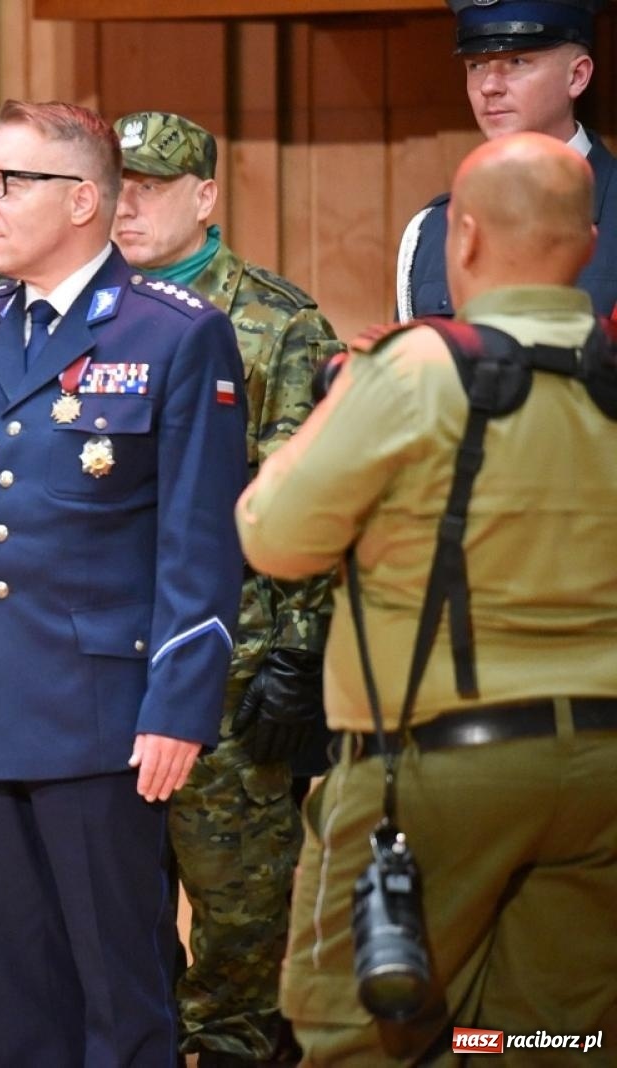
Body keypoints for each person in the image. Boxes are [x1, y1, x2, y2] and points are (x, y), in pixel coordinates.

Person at [0, 99, 249, 1066]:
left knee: (119, 996)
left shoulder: (173, 335)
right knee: (15, 997)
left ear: (83, 201)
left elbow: (199, 546)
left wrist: (179, 707)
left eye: (6, 182)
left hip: (104, 718)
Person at [240, 131, 617, 1063]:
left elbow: (273, 538)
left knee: (355, 1034)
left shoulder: (416, 371)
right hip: (604, 769)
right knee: (546, 1040)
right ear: (590, 244)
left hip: (436, 768)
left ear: (468, 239)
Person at [111, 110, 340, 1066]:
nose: (127, 205)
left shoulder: (276, 320)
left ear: (204, 197)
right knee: (120, 905)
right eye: (114, 185)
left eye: (151, 187)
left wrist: (301, 649)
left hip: (232, 665)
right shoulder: (85, 308)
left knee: (242, 912)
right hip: (106, 656)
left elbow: (313, 498)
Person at [397, 0, 615, 321]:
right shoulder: (429, 232)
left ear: (577, 77)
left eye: (516, 61)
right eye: (476, 65)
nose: (489, 86)